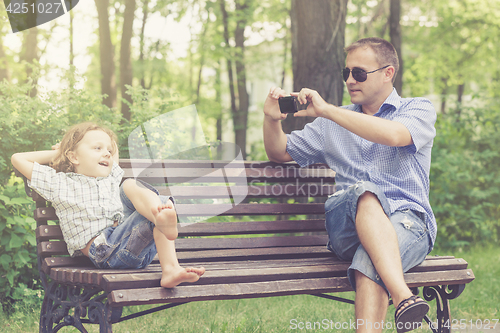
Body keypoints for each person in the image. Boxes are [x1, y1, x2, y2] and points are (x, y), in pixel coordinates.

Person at [263, 37, 436, 333]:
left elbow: (395, 135)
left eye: (359, 73)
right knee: (365, 193)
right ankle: (403, 296)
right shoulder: (331, 122)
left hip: (409, 223)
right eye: (346, 73)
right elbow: (279, 152)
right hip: (347, 227)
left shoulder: (417, 109)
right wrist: (271, 119)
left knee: (370, 261)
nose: (350, 80)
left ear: (388, 73)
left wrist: (328, 110)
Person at [11, 122, 205, 288]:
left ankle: (170, 264)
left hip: (136, 249)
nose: (107, 154)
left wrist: (104, 146)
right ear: (74, 157)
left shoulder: (110, 178)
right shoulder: (59, 183)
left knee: (129, 185)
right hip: (106, 252)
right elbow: (18, 158)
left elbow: (112, 148)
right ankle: (161, 217)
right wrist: (62, 150)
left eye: (109, 151)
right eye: (97, 148)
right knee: (131, 188)